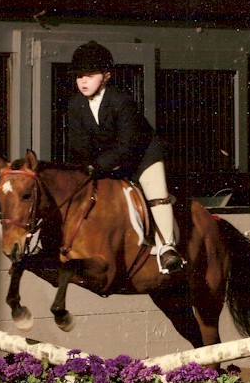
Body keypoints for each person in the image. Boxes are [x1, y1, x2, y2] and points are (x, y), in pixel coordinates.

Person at [66, 40, 185, 274]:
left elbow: (127, 145)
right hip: (108, 162)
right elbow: (78, 144)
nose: (83, 81)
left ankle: (168, 249)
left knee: (156, 197)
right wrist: (85, 166)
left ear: (107, 76)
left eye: (90, 75)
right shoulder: (75, 105)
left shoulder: (121, 101)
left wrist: (98, 165)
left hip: (142, 157)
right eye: (79, 76)